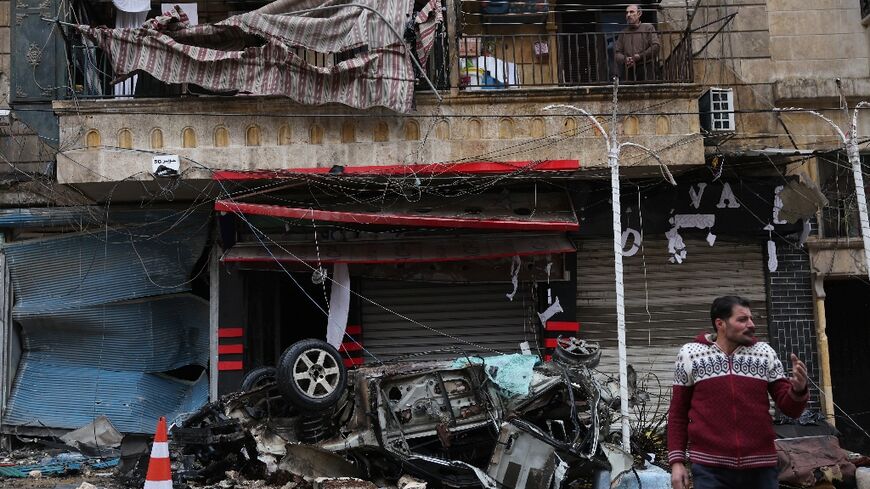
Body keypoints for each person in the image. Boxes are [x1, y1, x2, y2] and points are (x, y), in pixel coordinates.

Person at [667, 296, 809, 489]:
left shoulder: (764, 353)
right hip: (710, 469)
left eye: (751, 318)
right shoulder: (690, 354)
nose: (751, 324)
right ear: (720, 324)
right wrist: (677, 462)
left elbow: (790, 409)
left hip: (761, 469)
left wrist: (798, 390)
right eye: (742, 320)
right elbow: (678, 414)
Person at [614, 4, 660, 81]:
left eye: (631, 12)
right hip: (629, 69)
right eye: (627, 12)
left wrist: (640, 56)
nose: (628, 15)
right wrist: (625, 59)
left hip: (646, 66)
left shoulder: (648, 27)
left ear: (639, 14)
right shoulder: (623, 33)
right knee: (629, 92)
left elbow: (655, 46)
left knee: (648, 90)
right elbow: (617, 53)